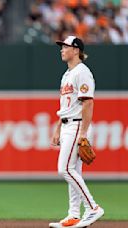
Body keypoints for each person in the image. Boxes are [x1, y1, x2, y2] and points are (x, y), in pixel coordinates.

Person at [49, 36, 104, 228]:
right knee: (74, 170)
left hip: (77, 125)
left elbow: (88, 103)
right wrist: (57, 128)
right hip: (66, 124)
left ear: (76, 50)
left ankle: (93, 207)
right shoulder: (67, 74)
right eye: (62, 47)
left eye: (65, 47)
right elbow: (66, 105)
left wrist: (83, 133)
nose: (61, 50)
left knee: (65, 169)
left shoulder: (82, 72)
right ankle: (74, 214)